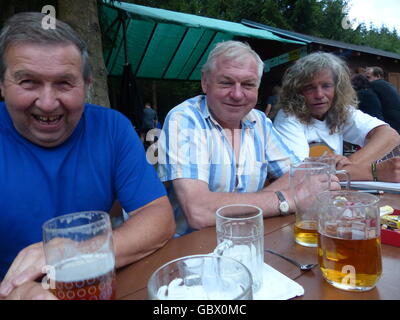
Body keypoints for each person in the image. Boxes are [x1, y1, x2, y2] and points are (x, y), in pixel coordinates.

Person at [0, 12, 175, 300]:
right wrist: (18, 293)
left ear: (87, 85)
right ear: (2, 84)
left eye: (64, 83)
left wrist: (70, 256)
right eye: (28, 82)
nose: (46, 103)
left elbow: (158, 217)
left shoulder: (112, 127)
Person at [157, 41, 340, 237]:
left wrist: (254, 202)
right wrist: (287, 199)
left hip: (246, 239)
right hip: (189, 250)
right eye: (226, 82)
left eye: (247, 84)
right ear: (205, 82)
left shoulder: (259, 121)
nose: (237, 94)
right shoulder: (185, 119)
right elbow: (199, 212)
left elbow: (298, 174)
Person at [274, 52, 400, 182]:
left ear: (338, 88)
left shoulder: (338, 110)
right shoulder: (288, 117)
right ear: (297, 91)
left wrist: (348, 165)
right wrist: (373, 172)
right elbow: (299, 176)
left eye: (326, 86)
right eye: (309, 87)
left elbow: (390, 136)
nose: (319, 94)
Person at [365, 66, 400, 134]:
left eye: (368, 77)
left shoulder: (374, 85)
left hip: (388, 121)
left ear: (378, 76)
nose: (366, 80)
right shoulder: (389, 85)